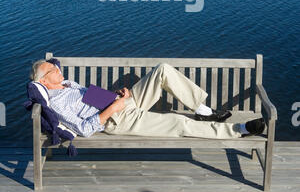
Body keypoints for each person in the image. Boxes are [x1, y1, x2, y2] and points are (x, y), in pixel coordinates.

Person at [30, 59, 265, 140]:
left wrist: (118, 96)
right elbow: (84, 128)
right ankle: (240, 129)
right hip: (118, 119)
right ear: (44, 80)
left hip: (121, 103)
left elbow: (91, 96)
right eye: (54, 69)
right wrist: (115, 107)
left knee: (162, 70)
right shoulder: (57, 103)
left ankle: (203, 109)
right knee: (178, 123)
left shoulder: (67, 84)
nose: (59, 69)